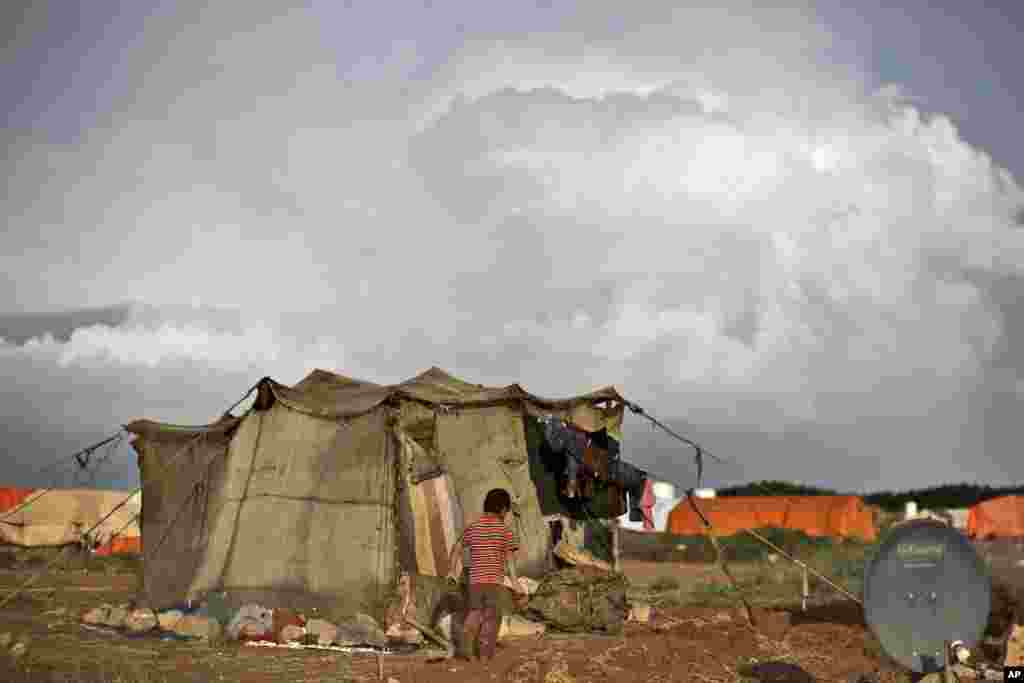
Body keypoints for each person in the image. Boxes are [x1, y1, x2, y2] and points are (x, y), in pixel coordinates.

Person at [447, 488, 519, 661]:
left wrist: (452, 571)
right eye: (507, 511)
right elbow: (509, 559)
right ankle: (485, 655)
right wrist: (515, 582)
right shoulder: (505, 531)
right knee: (492, 617)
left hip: (475, 581)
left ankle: (467, 645)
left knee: (475, 612)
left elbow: (456, 548)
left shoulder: (473, 527)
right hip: (494, 581)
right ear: (503, 510)